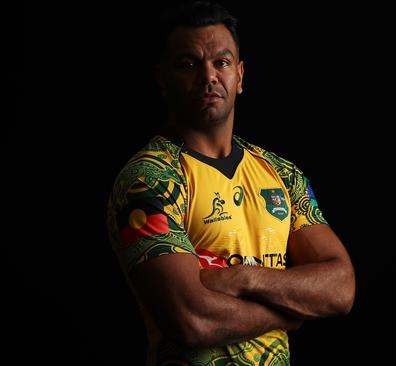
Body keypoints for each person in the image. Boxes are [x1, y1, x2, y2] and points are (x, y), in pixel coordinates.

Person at [106, 1, 355, 364]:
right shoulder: (149, 180)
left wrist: (242, 278)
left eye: (221, 62)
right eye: (188, 64)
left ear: (240, 76)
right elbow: (191, 318)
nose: (208, 76)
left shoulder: (281, 174)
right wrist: (289, 312)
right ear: (163, 79)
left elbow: (340, 286)